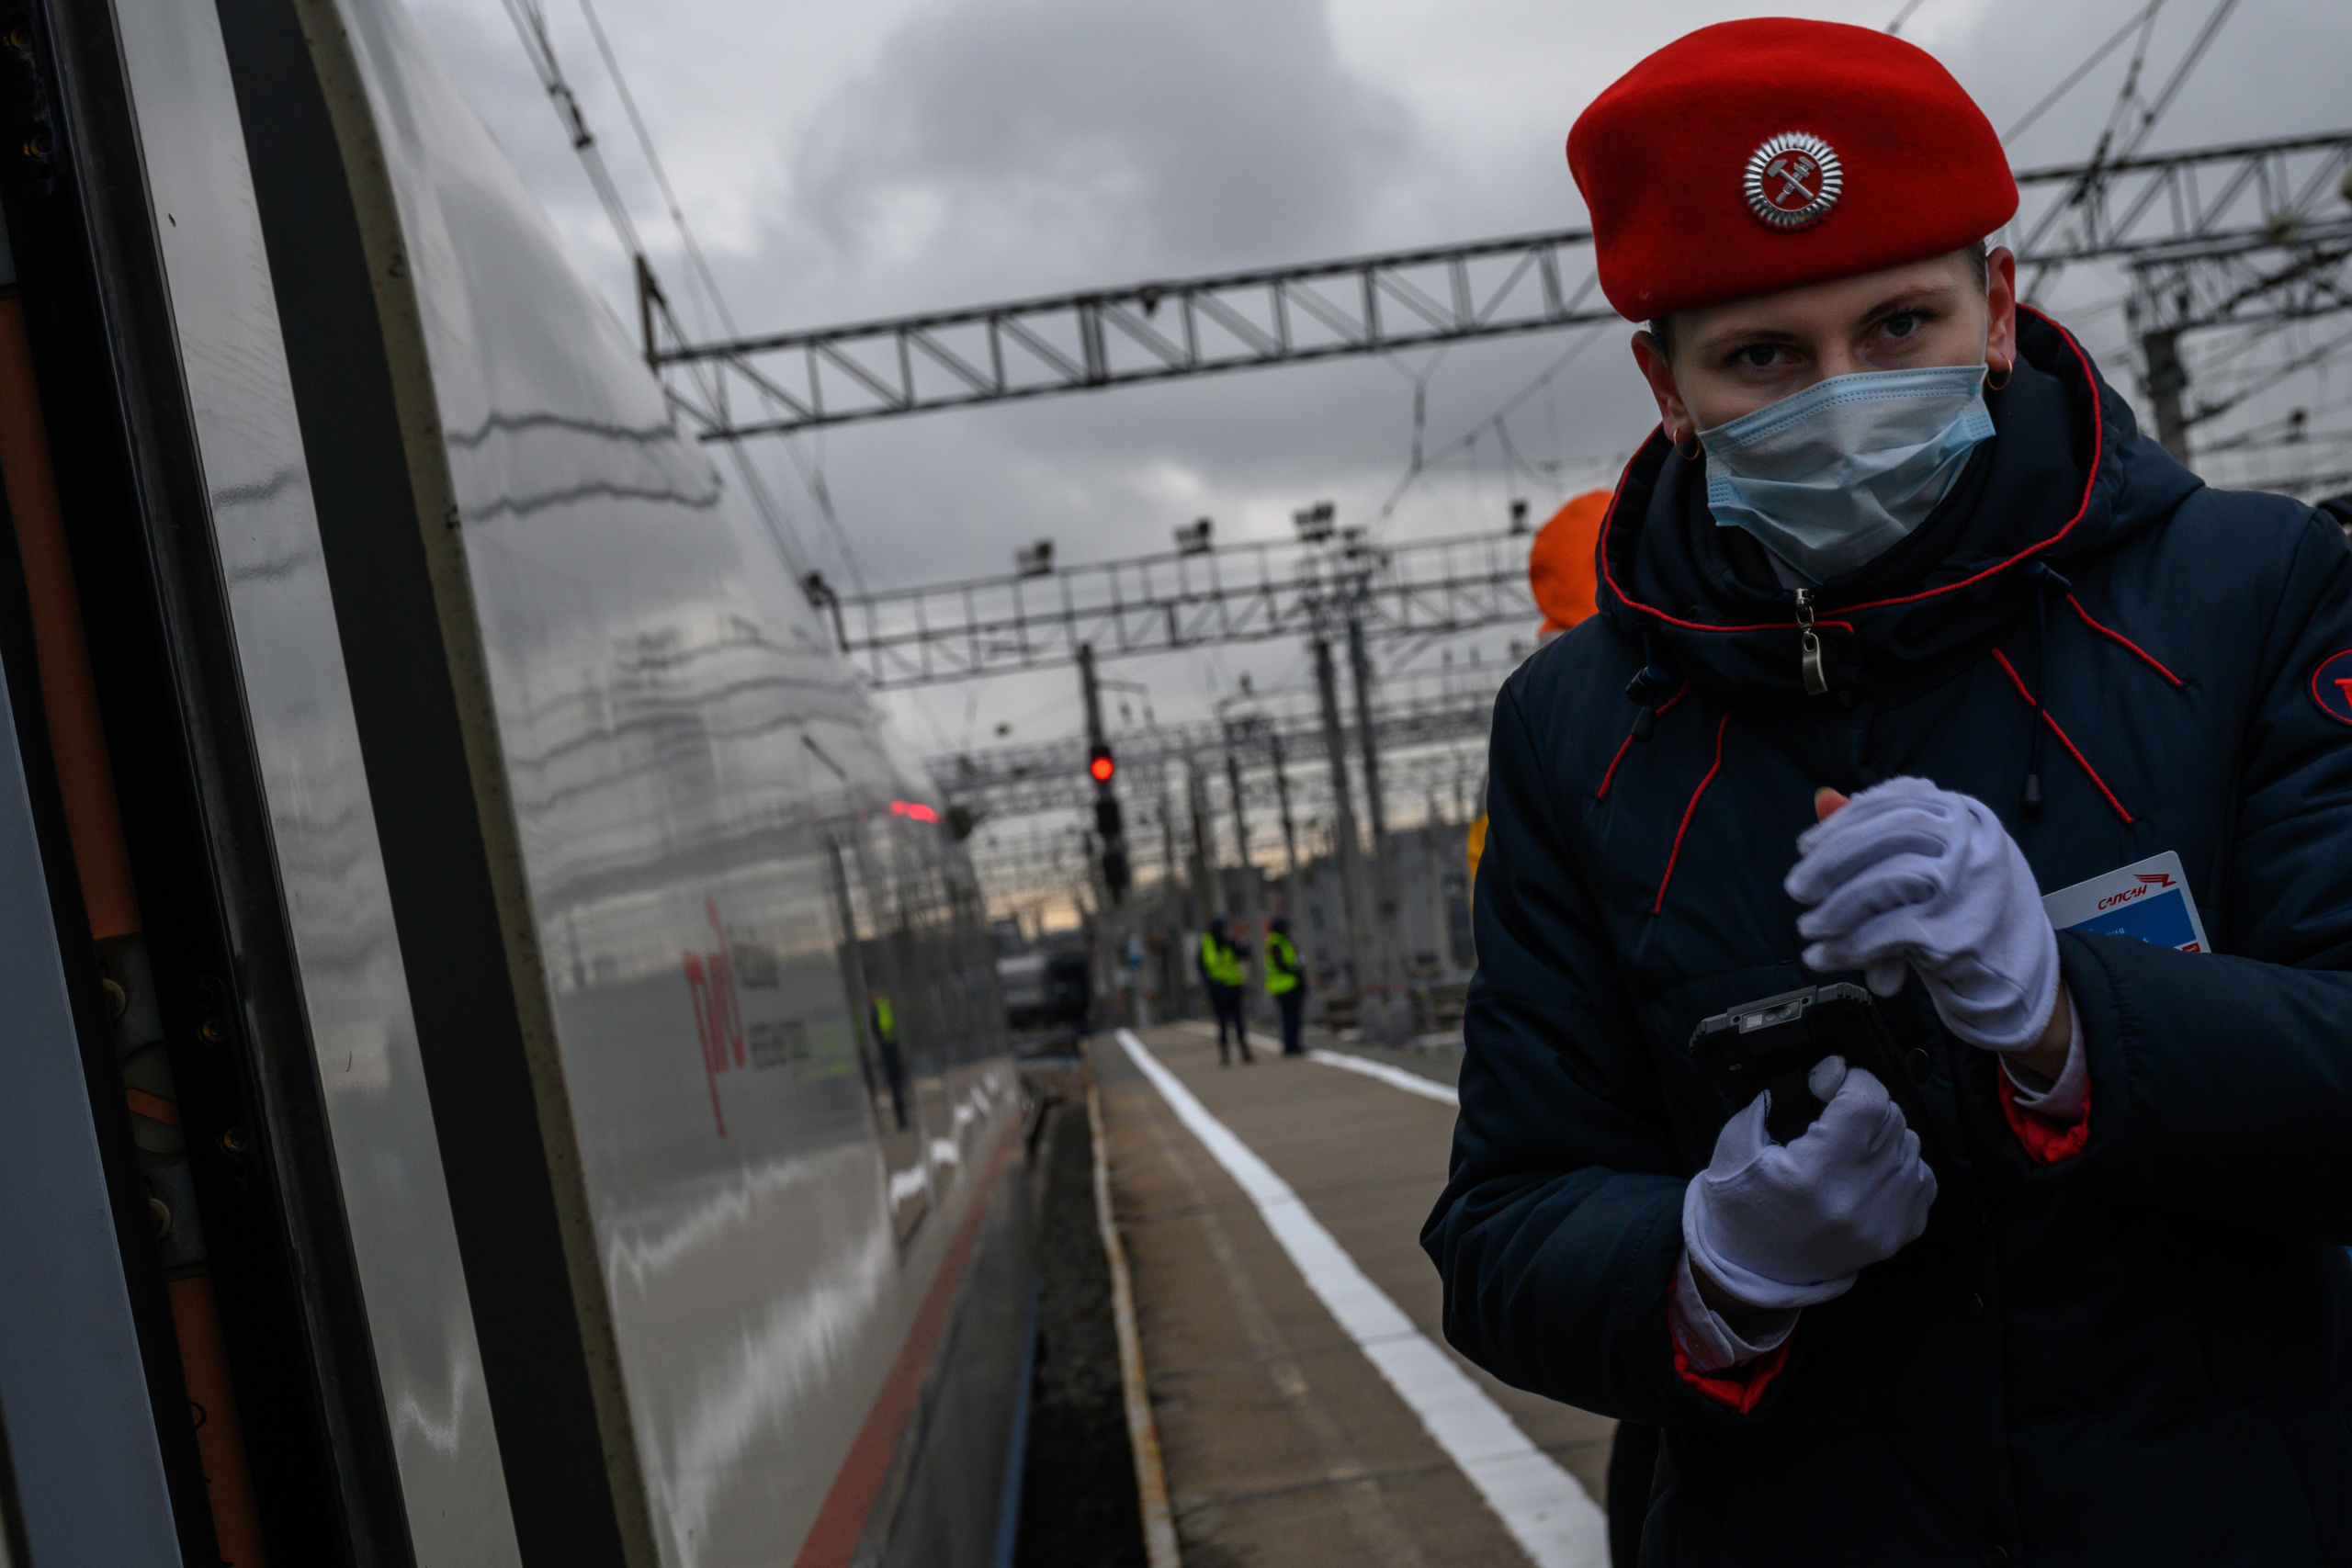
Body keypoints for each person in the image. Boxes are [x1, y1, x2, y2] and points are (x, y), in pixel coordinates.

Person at [1420, 18, 2352, 1566]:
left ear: (1999, 309)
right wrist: (1709, 1264)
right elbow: (1507, 1223)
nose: (1843, 397)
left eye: (1901, 321)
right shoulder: (1573, 726)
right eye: (1765, 357)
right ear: (1667, 382)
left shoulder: (2257, 595)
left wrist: (2071, 1024)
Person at [1197, 916, 1251, 1066]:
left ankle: (1244, 1051)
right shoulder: (1206, 944)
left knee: (1239, 1021)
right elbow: (1202, 968)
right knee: (1222, 1024)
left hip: (1233, 988)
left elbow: (1243, 954)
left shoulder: (1230, 942)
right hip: (1217, 991)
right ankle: (1225, 1055)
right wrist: (1211, 984)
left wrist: (1241, 940)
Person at [1264, 915, 1306, 1056]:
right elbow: (1280, 963)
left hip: (1289, 984)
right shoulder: (1276, 942)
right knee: (1290, 1017)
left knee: (1292, 1017)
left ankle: (1293, 1045)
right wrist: (1294, 969)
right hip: (1284, 986)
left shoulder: (1283, 941)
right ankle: (1291, 1046)